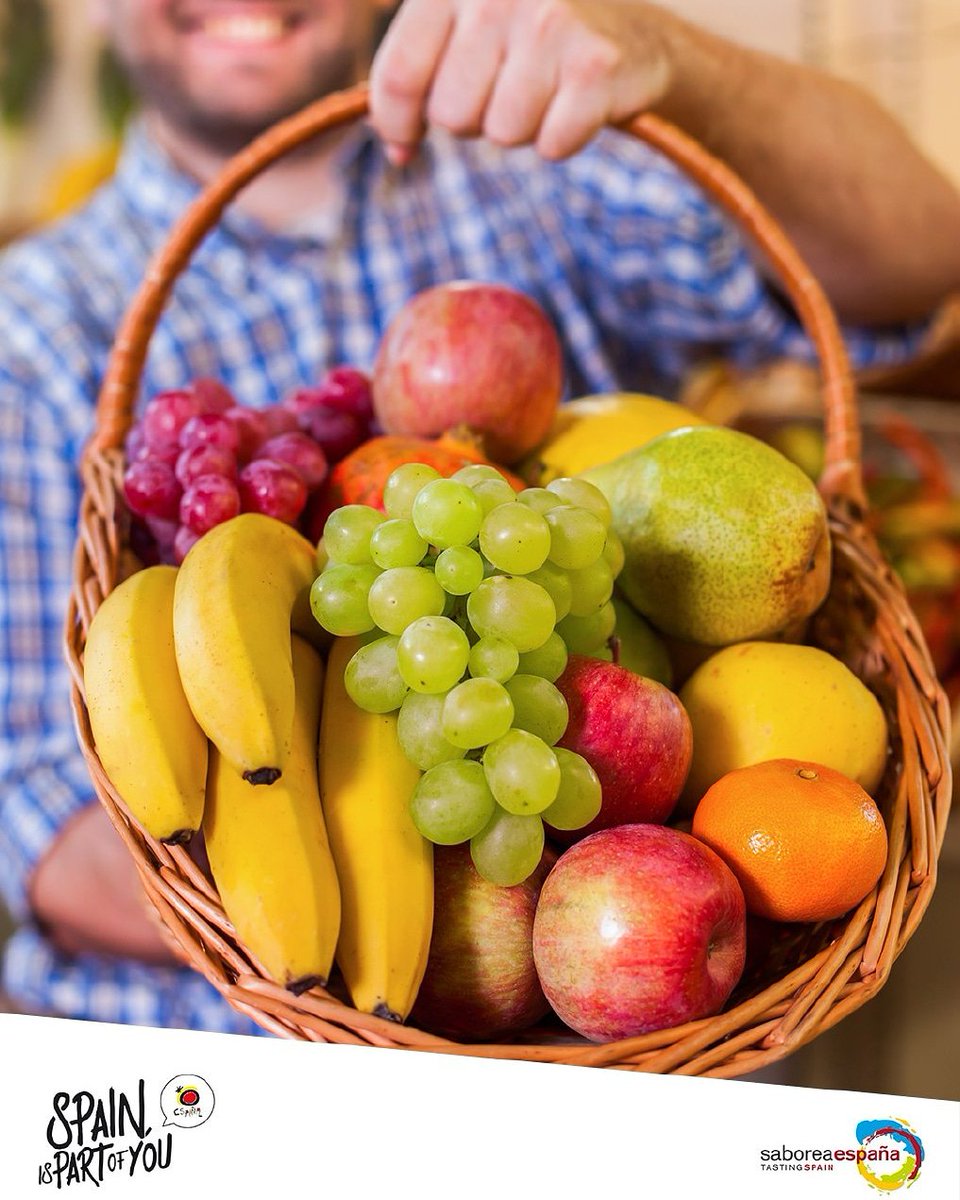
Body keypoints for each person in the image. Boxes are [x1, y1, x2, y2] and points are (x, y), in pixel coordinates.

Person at [1, 0, 958, 1036]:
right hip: (186, 1060)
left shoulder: (547, 166)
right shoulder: (33, 328)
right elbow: (35, 827)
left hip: (636, 1019)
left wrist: (673, 57)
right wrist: (391, 925)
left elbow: (920, 262)